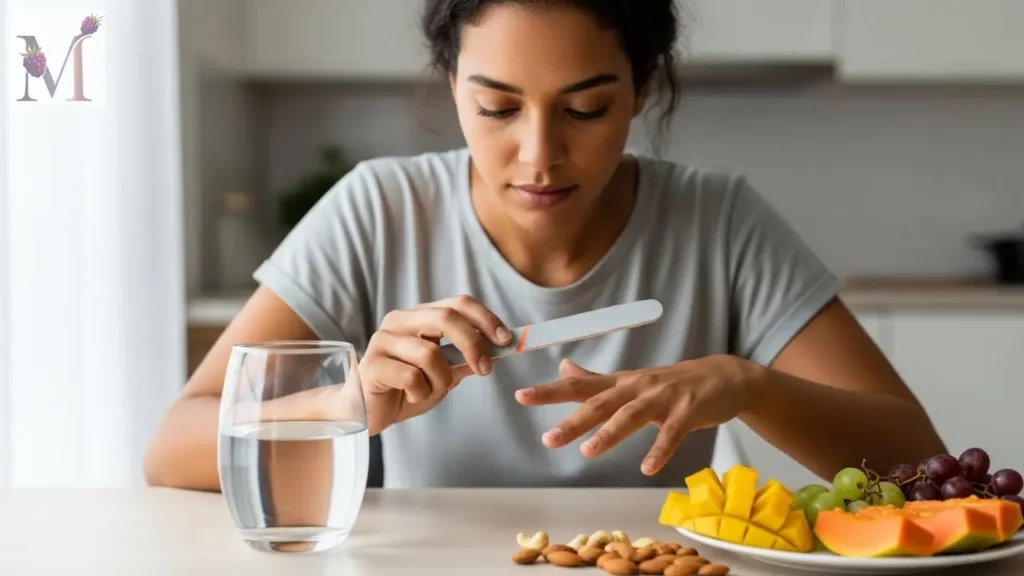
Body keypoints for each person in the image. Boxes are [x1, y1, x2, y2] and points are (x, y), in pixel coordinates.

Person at [144, 0, 946, 492]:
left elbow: (920, 466)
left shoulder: (719, 221)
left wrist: (752, 388)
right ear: (452, 83)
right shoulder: (378, 209)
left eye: (587, 111)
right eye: (496, 108)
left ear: (641, 90)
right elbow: (173, 451)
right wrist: (348, 403)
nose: (538, 155)